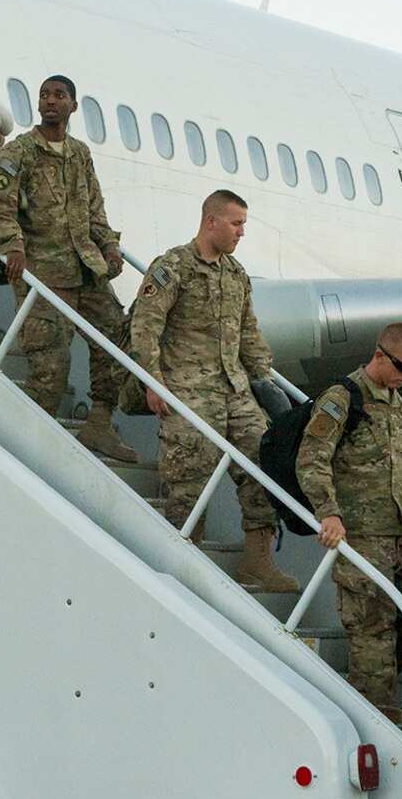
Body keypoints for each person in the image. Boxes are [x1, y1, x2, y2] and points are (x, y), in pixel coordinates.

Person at [126, 191, 297, 593]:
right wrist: (152, 380)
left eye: (244, 224)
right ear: (211, 222)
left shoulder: (236, 275)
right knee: (190, 474)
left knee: (263, 457)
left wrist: (265, 380)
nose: (241, 232)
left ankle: (257, 559)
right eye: (236, 224)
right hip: (187, 389)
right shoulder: (173, 267)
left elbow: (249, 333)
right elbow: (145, 327)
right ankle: (183, 554)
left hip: (234, 389)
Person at [0, 75, 135, 461]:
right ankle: (29, 445)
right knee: (51, 364)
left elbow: (94, 210)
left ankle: (99, 423)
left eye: (59, 96)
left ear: (72, 106)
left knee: (115, 337)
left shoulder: (80, 154)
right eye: (45, 96)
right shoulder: (19, 153)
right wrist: (12, 246)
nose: (50, 101)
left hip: (86, 268)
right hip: (43, 273)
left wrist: (111, 250)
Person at [294, 323, 402, 724]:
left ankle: (377, 692)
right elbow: (312, 459)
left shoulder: (400, 405)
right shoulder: (343, 399)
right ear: (379, 355)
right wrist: (329, 512)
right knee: (370, 623)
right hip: (359, 535)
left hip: (399, 535)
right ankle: (376, 709)